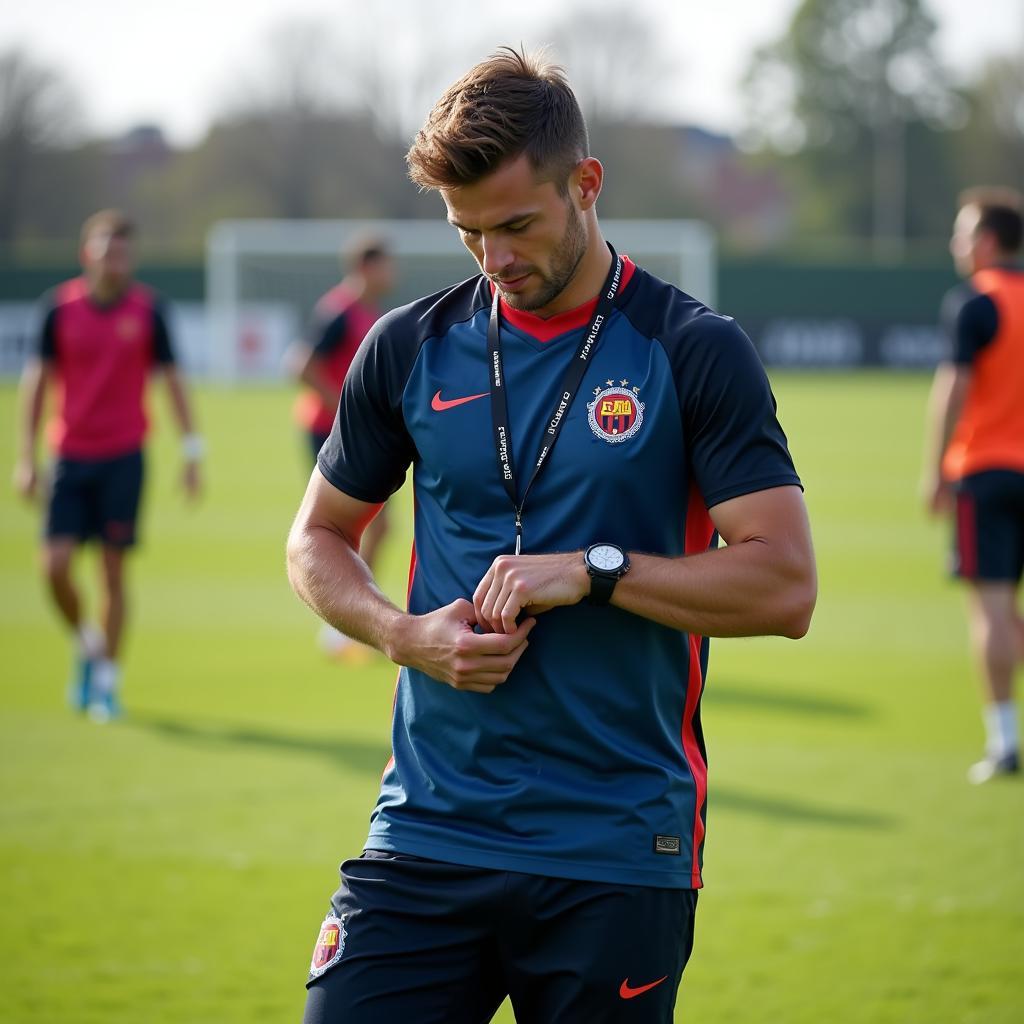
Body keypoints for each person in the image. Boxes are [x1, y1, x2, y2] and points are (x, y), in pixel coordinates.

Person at [287, 48, 816, 1024]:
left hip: (616, 848)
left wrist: (594, 571)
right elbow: (316, 537)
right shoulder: (407, 344)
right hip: (426, 832)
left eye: (517, 225)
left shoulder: (691, 349)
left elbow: (784, 587)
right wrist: (401, 634)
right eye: (468, 232)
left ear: (586, 184)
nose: (495, 259)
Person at [13, 209, 202, 720]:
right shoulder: (58, 310)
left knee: (113, 572)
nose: (115, 262)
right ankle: (87, 642)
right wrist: (26, 457)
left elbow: (172, 380)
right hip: (70, 455)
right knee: (54, 568)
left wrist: (191, 450)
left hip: (124, 455)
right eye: (106, 252)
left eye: (123, 253)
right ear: (87, 256)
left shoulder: (147, 311)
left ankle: (106, 682)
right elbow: (36, 384)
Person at [922, 186, 1024, 784]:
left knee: (991, 611)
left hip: (984, 473)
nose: (956, 244)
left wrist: (935, 470)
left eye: (962, 233)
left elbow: (952, 389)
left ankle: (1004, 741)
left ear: (985, 243)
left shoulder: (974, 302)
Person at [285, 237, 395, 657]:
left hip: (355, 432)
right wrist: (343, 407)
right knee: (340, 526)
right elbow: (300, 366)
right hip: (329, 430)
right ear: (366, 267)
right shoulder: (339, 311)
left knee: (379, 526)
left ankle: (352, 615)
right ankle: (344, 620)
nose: (392, 273)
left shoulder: (368, 312)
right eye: (386, 265)